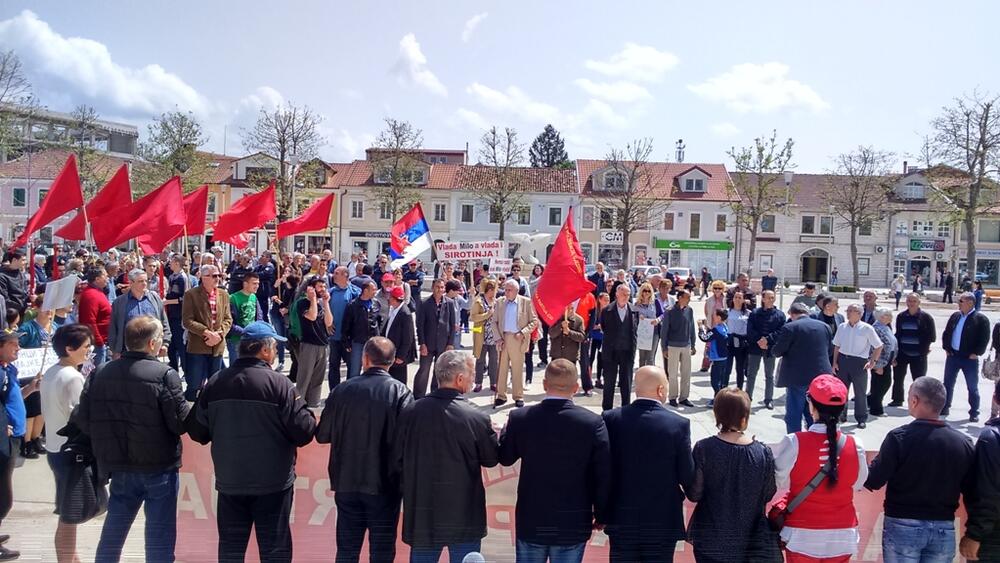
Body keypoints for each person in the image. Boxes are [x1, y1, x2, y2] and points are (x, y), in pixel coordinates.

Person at [192, 321, 316, 563]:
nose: (277, 353)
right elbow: (304, 431)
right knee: (274, 551)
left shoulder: (216, 382)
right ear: (265, 350)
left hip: (231, 482)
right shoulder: (280, 385)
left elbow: (198, 431)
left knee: (231, 550)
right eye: (275, 348)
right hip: (273, 484)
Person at [76, 316, 189, 563]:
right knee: (159, 537)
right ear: (151, 344)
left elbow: (82, 418)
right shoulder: (164, 374)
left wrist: (107, 439)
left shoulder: (102, 372)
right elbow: (180, 423)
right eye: (160, 339)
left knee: (113, 532)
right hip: (158, 466)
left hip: (120, 464)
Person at [499, 359, 611, 562]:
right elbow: (602, 475)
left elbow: (505, 458)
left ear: (544, 384)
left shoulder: (521, 418)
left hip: (531, 520)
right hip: (572, 522)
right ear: (576, 388)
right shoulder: (592, 423)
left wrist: (509, 428)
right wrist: (602, 514)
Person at [395, 350, 499, 563]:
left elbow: (396, 458)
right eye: (471, 375)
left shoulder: (410, 412)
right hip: (464, 518)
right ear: (460, 378)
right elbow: (491, 458)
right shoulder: (476, 417)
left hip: (423, 515)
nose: (473, 380)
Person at [318, 336, 413, 563]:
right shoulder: (400, 393)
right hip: (385, 485)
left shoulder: (342, 390)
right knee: (381, 552)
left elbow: (322, 435)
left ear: (365, 359)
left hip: (347, 482)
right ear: (390, 363)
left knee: (347, 551)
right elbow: (408, 442)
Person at [865, 377, 975, 563]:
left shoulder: (898, 438)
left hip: (902, 525)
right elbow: (973, 490)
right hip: (944, 526)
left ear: (914, 400)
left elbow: (874, 480)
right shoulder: (963, 443)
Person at [602, 366, 694, 562]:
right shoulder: (678, 424)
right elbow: (686, 475)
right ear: (661, 390)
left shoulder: (611, 419)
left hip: (621, 516)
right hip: (661, 519)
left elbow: (602, 469)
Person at [772, 375, 867, 562]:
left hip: (802, 533)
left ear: (811, 406)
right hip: (842, 532)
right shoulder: (855, 444)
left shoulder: (794, 442)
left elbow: (778, 480)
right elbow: (858, 483)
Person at [687, 387, 779, 563]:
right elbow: (768, 493)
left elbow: (694, 493)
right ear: (745, 417)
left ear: (717, 415)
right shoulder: (763, 452)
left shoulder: (704, 448)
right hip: (749, 541)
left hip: (710, 539)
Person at [40, 324, 92, 563]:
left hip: (54, 448)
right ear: (69, 349)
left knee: (66, 513)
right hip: (70, 453)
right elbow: (80, 417)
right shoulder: (72, 377)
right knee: (69, 517)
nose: (88, 352)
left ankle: (72, 559)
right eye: (85, 347)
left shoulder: (52, 371)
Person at [771, 303, 834, 433]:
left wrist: (771, 348)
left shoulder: (790, 327)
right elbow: (829, 351)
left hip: (798, 377)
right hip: (821, 377)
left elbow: (778, 351)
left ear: (792, 314)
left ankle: (795, 443)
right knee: (815, 413)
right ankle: (816, 439)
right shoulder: (824, 326)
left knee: (794, 414)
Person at [960, 381, 1000, 561]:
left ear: (995, 399)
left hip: (993, 538)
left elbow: (987, 491)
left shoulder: (991, 439)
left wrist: (975, 534)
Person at [182, 264, 233, 402]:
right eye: (214, 275)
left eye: (219, 275)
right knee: (194, 383)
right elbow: (187, 321)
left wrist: (220, 334)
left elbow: (228, 319)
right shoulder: (191, 294)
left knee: (215, 384)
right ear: (204, 277)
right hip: (198, 346)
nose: (217, 278)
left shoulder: (224, 294)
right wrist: (206, 333)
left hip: (217, 346)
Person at [831, 303, 883, 428]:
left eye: (851, 311)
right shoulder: (842, 327)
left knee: (860, 392)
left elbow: (878, 346)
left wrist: (873, 361)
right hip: (843, 360)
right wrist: (834, 362)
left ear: (859, 314)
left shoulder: (867, 328)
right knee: (842, 391)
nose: (848, 313)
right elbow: (837, 346)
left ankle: (861, 418)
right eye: (847, 310)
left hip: (859, 362)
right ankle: (840, 416)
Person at [941, 291, 991, 421]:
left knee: (972, 386)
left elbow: (984, 339)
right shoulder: (955, 316)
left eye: (961, 301)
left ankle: (974, 411)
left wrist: (976, 353)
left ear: (970, 303)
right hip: (953, 356)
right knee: (947, 383)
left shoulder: (980, 319)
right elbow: (947, 333)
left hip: (969, 359)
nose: (958, 303)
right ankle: (945, 406)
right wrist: (946, 348)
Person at [490, 279, 537, 409]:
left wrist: (523, 332)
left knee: (517, 369)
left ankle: (518, 396)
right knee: (502, 369)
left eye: (509, 290)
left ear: (516, 291)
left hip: (518, 339)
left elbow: (534, 321)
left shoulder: (526, 302)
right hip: (503, 338)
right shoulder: (500, 302)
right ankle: (501, 396)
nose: (506, 292)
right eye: (505, 289)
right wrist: (498, 338)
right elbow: (494, 322)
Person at [108, 269, 170, 359]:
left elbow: (164, 322)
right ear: (131, 282)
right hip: (127, 352)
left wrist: (165, 343)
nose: (144, 283)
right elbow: (113, 328)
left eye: (146, 280)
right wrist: (115, 350)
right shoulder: (119, 303)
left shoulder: (155, 299)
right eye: (141, 281)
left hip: (152, 350)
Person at [0, 332, 24, 561]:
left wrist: (31, 389)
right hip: (3, 439)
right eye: (12, 344)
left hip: (13, 436)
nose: (18, 348)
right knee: (3, 498)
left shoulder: (9, 370)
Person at [890, 293, 936, 408]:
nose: (911, 303)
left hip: (918, 355)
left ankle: (919, 402)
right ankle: (897, 399)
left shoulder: (926, 317)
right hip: (902, 353)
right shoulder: (901, 316)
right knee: (898, 378)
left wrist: (925, 349)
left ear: (919, 302)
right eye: (909, 300)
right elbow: (898, 334)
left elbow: (932, 336)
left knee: (919, 381)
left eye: (914, 301)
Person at [414, 279, 458, 399]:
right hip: (428, 343)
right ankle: (418, 396)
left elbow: (452, 325)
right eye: (438, 287)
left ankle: (435, 394)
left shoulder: (449, 303)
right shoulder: (424, 303)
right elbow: (420, 325)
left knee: (438, 372)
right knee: (424, 370)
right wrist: (422, 343)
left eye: (442, 287)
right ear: (433, 288)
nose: (440, 289)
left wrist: (450, 343)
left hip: (443, 344)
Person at [295, 277, 334, 408]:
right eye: (320, 287)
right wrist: (312, 299)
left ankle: (314, 404)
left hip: (323, 345)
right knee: (304, 378)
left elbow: (329, 323)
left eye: (324, 287)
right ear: (311, 288)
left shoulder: (321, 304)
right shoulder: (302, 303)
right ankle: (298, 405)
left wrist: (326, 303)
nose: (323, 290)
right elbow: (312, 317)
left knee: (318, 378)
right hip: (309, 345)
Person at [600, 284, 639, 411]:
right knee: (609, 384)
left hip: (627, 352)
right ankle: (607, 411)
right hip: (611, 352)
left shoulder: (634, 311)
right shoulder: (607, 310)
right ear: (617, 294)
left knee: (626, 384)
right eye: (623, 294)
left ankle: (626, 410)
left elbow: (634, 331)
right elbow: (604, 328)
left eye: (628, 295)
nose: (625, 297)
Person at [746, 290, 786, 409]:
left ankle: (768, 399)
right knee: (751, 374)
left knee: (769, 375)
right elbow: (750, 329)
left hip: (770, 349)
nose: (770, 300)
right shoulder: (754, 313)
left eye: (772, 297)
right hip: (755, 347)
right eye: (768, 298)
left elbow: (781, 330)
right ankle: (747, 398)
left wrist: (767, 340)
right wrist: (759, 340)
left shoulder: (779, 315)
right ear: (762, 299)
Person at [327, 266, 361, 389]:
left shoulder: (355, 292)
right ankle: (334, 392)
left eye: (337, 273)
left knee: (351, 367)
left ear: (345, 276)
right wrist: (327, 324)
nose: (333, 275)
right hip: (334, 337)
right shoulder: (330, 292)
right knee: (333, 366)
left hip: (349, 339)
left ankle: (347, 393)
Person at [341, 280, 382, 379]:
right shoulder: (353, 305)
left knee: (372, 370)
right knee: (354, 370)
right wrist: (346, 342)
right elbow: (346, 325)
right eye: (373, 290)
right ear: (365, 290)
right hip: (358, 342)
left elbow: (379, 321)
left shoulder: (376, 304)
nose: (375, 292)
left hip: (372, 343)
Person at [225, 272, 264, 367]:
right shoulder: (233, 298)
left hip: (251, 339)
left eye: (258, 283)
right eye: (254, 283)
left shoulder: (253, 297)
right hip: (236, 340)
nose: (257, 286)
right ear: (245, 284)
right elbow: (230, 322)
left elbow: (259, 316)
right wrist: (245, 332)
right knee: (236, 369)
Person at [380, 286, 416, 386]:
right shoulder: (393, 310)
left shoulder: (405, 313)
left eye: (390, 297)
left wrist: (401, 356)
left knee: (398, 381)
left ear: (393, 298)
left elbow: (408, 337)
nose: (388, 299)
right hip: (391, 352)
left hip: (399, 356)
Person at [78, 266, 112, 367]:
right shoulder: (91, 295)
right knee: (97, 374)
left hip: (103, 341)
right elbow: (89, 321)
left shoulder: (97, 292)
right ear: (97, 279)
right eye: (105, 276)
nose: (108, 278)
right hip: (97, 345)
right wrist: (99, 342)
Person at [470, 279, 499, 394]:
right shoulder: (478, 301)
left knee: (493, 361)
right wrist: (487, 314)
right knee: (480, 360)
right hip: (481, 335)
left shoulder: (496, 302)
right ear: (488, 290)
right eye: (492, 289)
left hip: (494, 336)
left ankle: (493, 383)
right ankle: (478, 383)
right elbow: (474, 317)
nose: (493, 292)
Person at [867, 309, 898, 417]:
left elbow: (891, 343)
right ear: (881, 317)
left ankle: (872, 403)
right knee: (882, 384)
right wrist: (877, 365)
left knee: (881, 384)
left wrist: (893, 358)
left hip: (887, 360)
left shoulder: (886, 327)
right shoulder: (876, 329)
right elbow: (874, 348)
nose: (891, 317)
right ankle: (876, 409)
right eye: (888, 315)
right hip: (880, 361)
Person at [699, 309, 730, 404]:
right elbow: (712, 334)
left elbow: (705, 337)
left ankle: (718, 399)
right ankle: (721, 398)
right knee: (721, 379)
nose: (713, 317)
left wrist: (700, 328)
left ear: (719, 317)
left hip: (717, 358)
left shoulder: (716, 330)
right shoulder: (725, 327)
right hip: (724, 357)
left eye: (714, 315)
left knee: (715, 381)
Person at [725, 290, 751, 391]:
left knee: (740, 369)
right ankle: (724, 390)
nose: (737, 299)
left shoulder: (748, 314)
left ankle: (739, 390)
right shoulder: (727, 312)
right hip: (729, 342)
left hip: (742, 343)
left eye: (740, 298)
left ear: (744, 300)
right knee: (727, 369)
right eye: (735, 297)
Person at [633, 283, 659, 367]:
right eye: (645, 290)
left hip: (653, 332)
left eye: (649, 291)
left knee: (650, 357)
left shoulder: (655, 302)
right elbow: (633, 318)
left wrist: (657, 320)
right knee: (642, 357)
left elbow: (663, 314)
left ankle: (650, 377)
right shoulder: (637, 304)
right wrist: (638, 317)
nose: (647, 293)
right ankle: (641, 377)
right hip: (642, 332)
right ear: (641, 292)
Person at [589, 293, 610, 390]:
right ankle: (588, 378)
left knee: (601, 359)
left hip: (603, 338)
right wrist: (598, 326)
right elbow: (590, 325)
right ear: (600, 300)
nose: (607, 302)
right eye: (605, 300)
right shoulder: (596, 311)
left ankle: (598, 379)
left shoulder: (609, 311)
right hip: (594, 337)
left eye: (608, 300)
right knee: (591, 358)